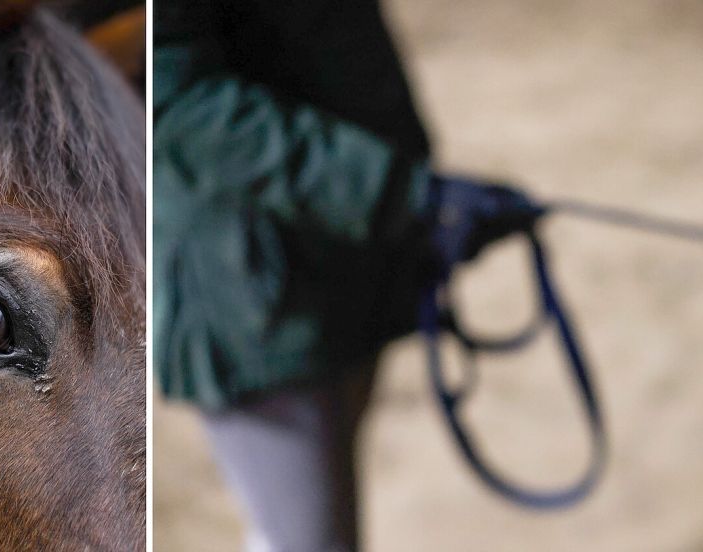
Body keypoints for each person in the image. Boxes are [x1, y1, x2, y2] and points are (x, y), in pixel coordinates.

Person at [153, 1, 531, 550]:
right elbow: (184, 104)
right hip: (251, 294)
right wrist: (403, 195)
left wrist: (413, 200)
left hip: (343, 258)